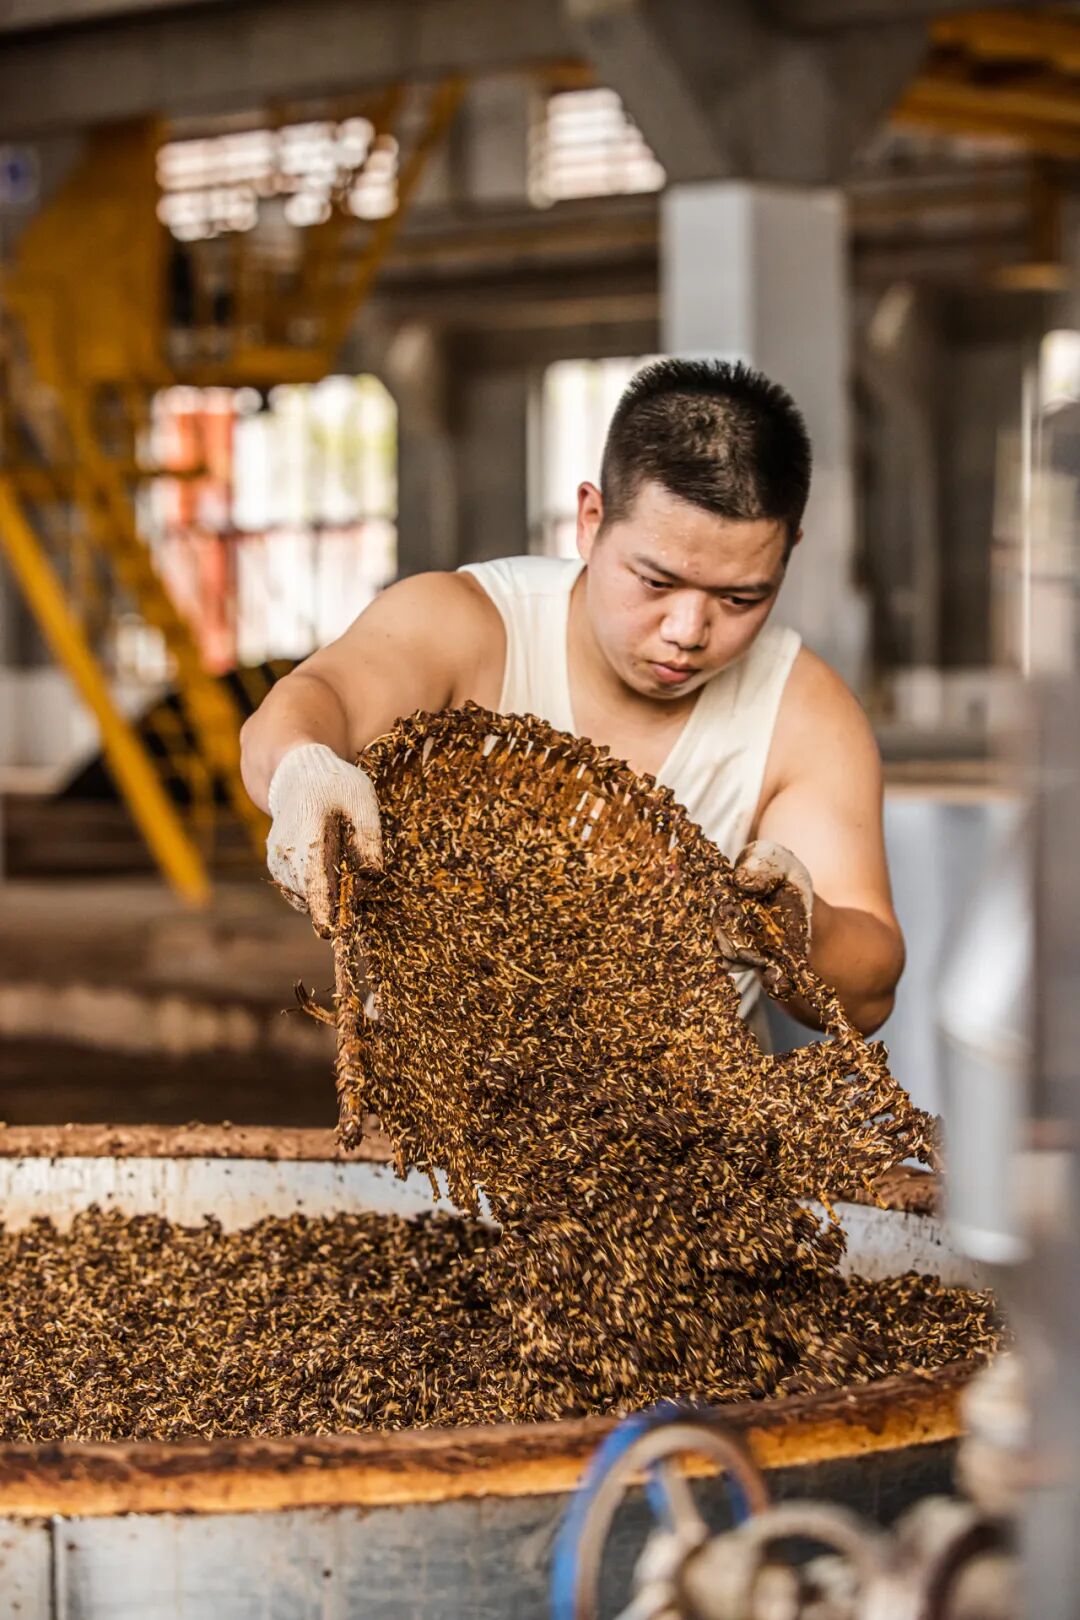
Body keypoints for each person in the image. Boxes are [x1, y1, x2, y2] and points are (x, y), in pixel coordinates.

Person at [240, 358, 904, 1039]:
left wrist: (796, 932)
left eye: (741, 598)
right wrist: (302, 767)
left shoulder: (804, 715)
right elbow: (317, 698)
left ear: (786, 555)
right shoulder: (469, 625)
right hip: (439, 1109)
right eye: (654, 583)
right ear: (590, 519)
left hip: (692, 1126)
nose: (688, 632)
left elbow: (872, 992)